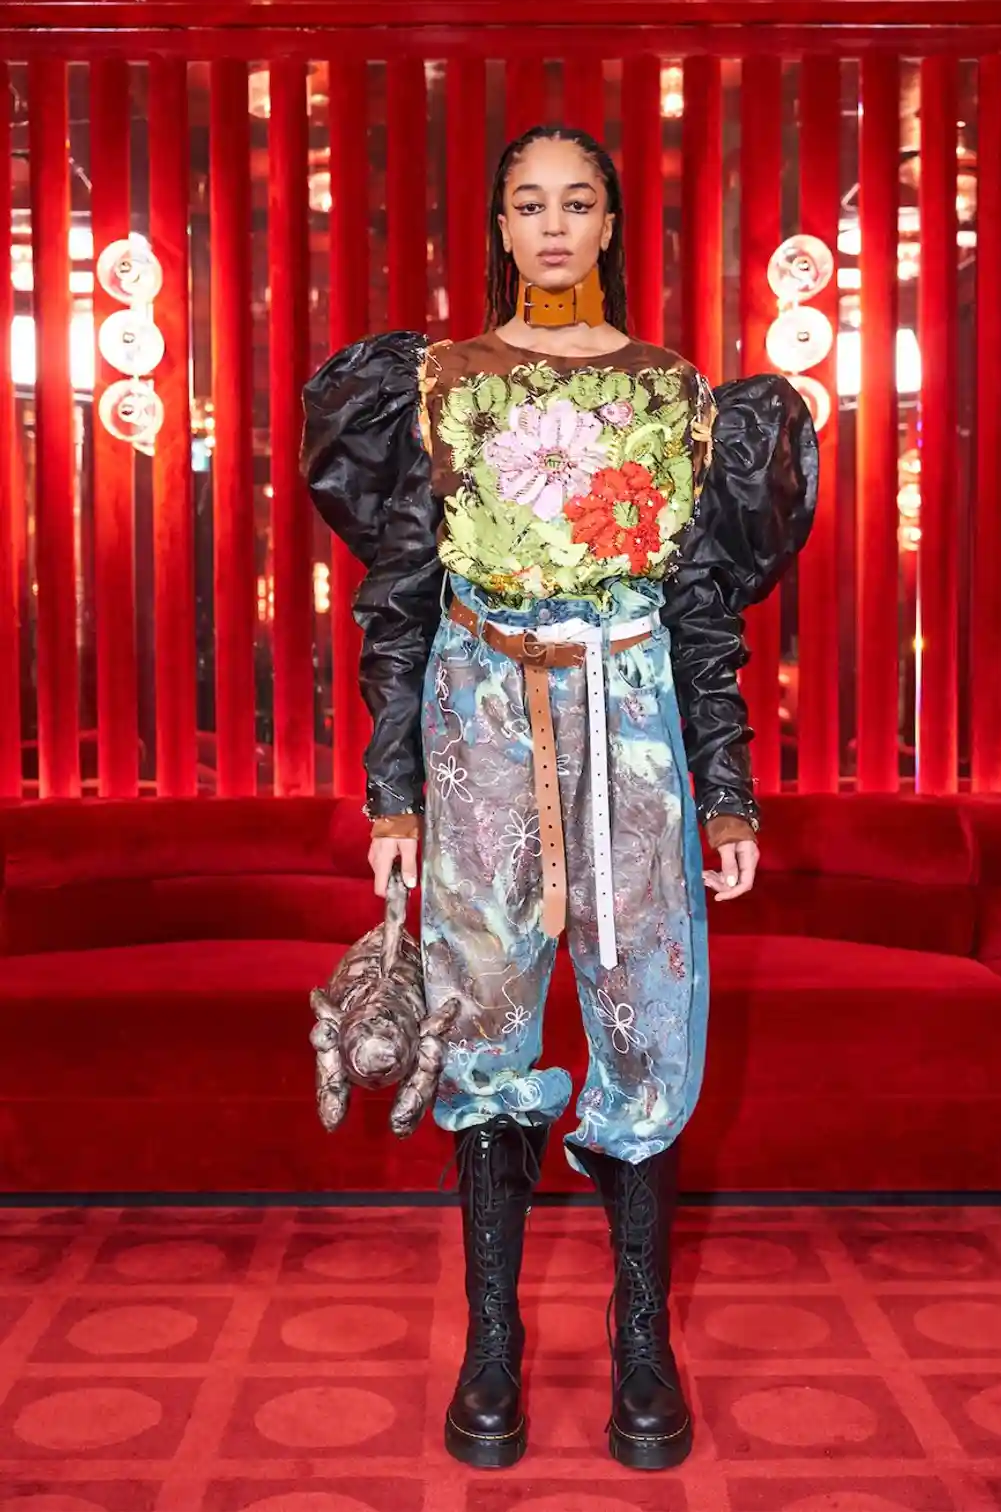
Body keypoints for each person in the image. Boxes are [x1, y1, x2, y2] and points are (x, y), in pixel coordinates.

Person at [302, 124, 818, 1474]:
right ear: (500, 225)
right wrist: (393, 789)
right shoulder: (436, 386)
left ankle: (642, 1340)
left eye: (575, 202)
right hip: (477, 714)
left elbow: (702, 613)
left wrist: (725, 791)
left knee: (649, 1015)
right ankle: (493, 1339)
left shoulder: (672, 392)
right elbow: (400, 599)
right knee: (481, 1018)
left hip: (632, 721)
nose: (550, 224)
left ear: (607, 225)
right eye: (527, 203)